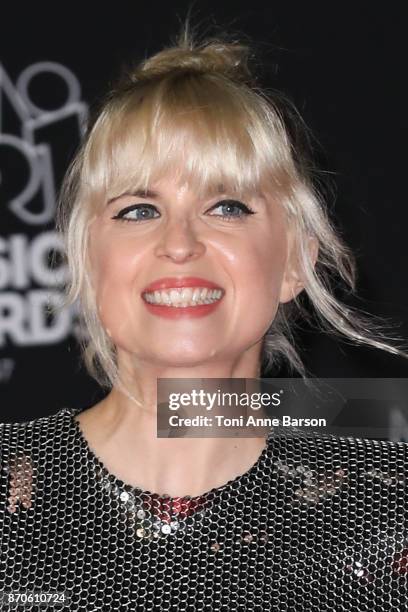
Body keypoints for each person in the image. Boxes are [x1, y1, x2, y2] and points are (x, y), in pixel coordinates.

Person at [1, 22, 408, 612]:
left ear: (296, 260)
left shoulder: (386, 516)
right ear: (87, 258)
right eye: (139, 209)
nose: (181, 243)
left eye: (227, 206)